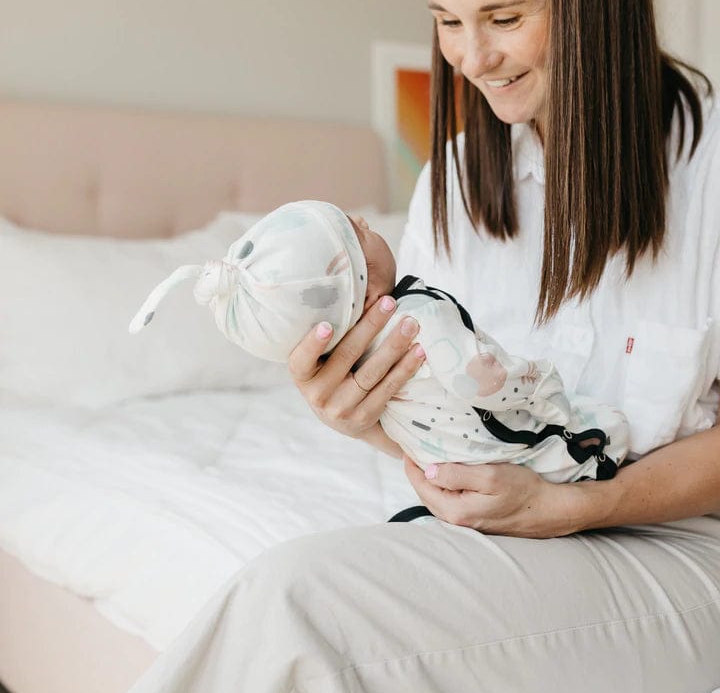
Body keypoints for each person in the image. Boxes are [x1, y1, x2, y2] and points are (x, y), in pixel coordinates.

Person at [47, 0, 720, 693]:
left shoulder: (709, 165)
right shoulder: (455, 179)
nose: (473, 57)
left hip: (681, 559)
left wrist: (581, 505)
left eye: (502, 15)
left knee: (296, 603)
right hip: (513, 543)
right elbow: (453, 423)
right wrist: (365, 418)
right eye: (447, 20)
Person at [130, 198, 629, 482]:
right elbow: (478, 378)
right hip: (498, 450)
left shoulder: (359, 358)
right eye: (358, 229)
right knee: (587, 434)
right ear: (360, 276)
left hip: (448, 469)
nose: (368, 222)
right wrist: (539, 383)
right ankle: (594, 454)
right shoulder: (417, 316)